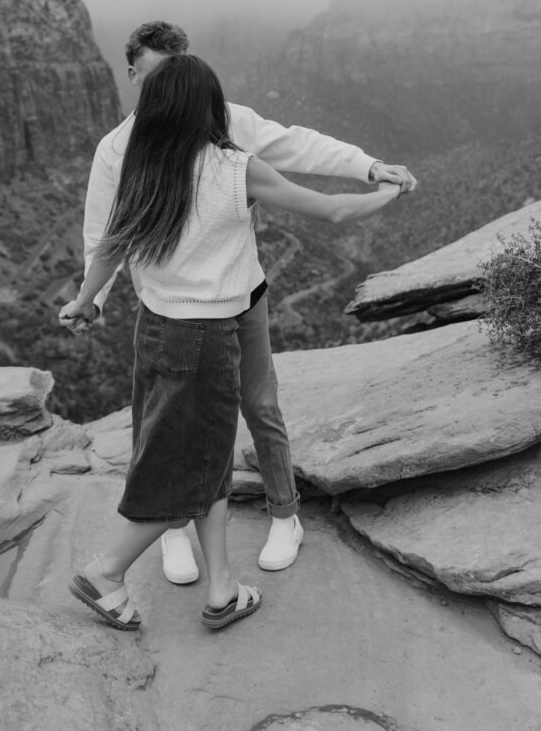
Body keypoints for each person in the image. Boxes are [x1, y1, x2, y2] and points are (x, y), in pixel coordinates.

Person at [60, 54, 404, 632]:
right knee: (192, 468)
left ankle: (221, 587)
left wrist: (86, 300)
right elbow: (333, 211)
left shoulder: (143, 164)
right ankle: (107, 572)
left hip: (156, 329)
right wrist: (389, 190)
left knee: (208, 457)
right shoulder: (234, 169)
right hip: (207, 333)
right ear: (208, 107)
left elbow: (111, 245)